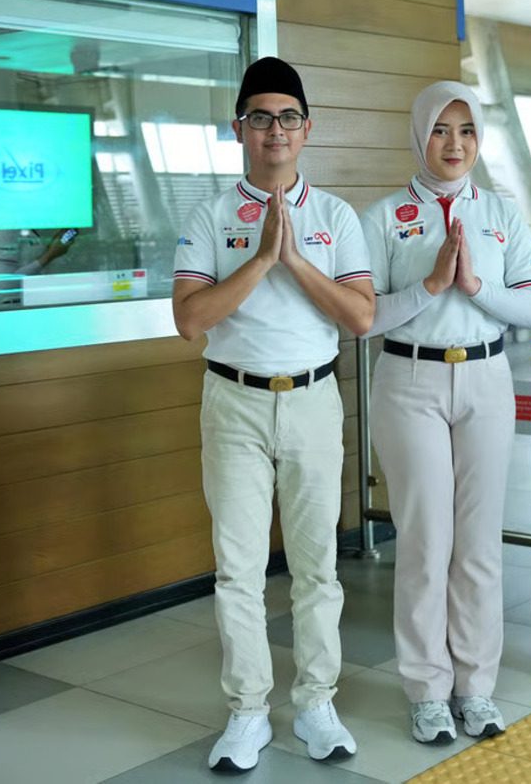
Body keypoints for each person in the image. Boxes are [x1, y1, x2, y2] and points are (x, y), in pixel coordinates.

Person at [172, 57, 375, 772]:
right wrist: (260, 259)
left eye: (288, 117)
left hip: (314, 400)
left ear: (307, 129)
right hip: (233, 403)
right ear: (240, 129)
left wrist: (296, 261)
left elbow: (360, 317)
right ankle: (248, 711)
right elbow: (190, 320)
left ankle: (316, 701)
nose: (275, 130)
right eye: (261, 117)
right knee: (239, 570)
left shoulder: (336, 216)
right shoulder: (210, 215)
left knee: (318, 566)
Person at [360, 81, 531, 744]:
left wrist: (475, 286)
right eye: (441, 129)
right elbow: (363, 317)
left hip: (487, 379)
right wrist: (431, 286)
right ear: (420, 135)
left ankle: (475, 686)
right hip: (408, 380)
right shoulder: (384, 217)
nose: (454, 143)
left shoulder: (501, 212)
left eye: (466, 130)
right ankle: (427, 690)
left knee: (478, 543)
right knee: (425, 540)